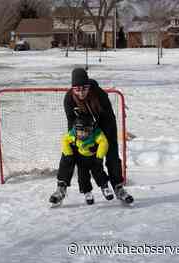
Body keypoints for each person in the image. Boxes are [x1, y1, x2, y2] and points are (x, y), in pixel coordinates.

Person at [51, 68, 134, 204]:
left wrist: (99, 142)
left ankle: (118, 187)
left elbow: (108, 119)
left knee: (112, 154)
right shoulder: (69, 99)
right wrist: (78, 142)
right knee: (68, 153)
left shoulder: (99, 95)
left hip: (104, 127)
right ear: (73, 89)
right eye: (77, 89)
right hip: (81, 130)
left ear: (88, 87)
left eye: (84, 89)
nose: (81, 93)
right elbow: (71, 124)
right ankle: (61, 187)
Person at [49, 114, 114, 206]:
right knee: (82, 176)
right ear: (75, 130)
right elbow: (65, 140)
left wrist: (99, 157)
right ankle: (85, 192)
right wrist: (68, 154)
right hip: (81, 158)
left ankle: (105, 187)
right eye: (80, 132)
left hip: (94, 158)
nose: (82, 135)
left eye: (86, 131)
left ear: (91, 130)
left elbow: (104, 142)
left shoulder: (96, 134)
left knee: (98, 172)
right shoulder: (73, 134)